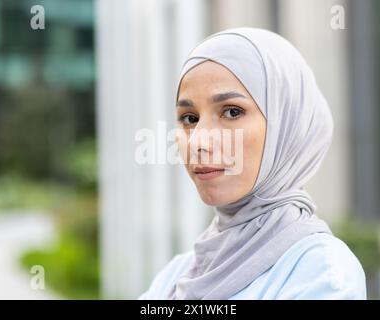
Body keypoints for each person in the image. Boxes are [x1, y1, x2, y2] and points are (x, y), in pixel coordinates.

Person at [139, 27, 366, 300]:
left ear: (286, 125)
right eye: (189, 118)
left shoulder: (322, 272)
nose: (199, 142)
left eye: (232, 112)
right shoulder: (176, 275)